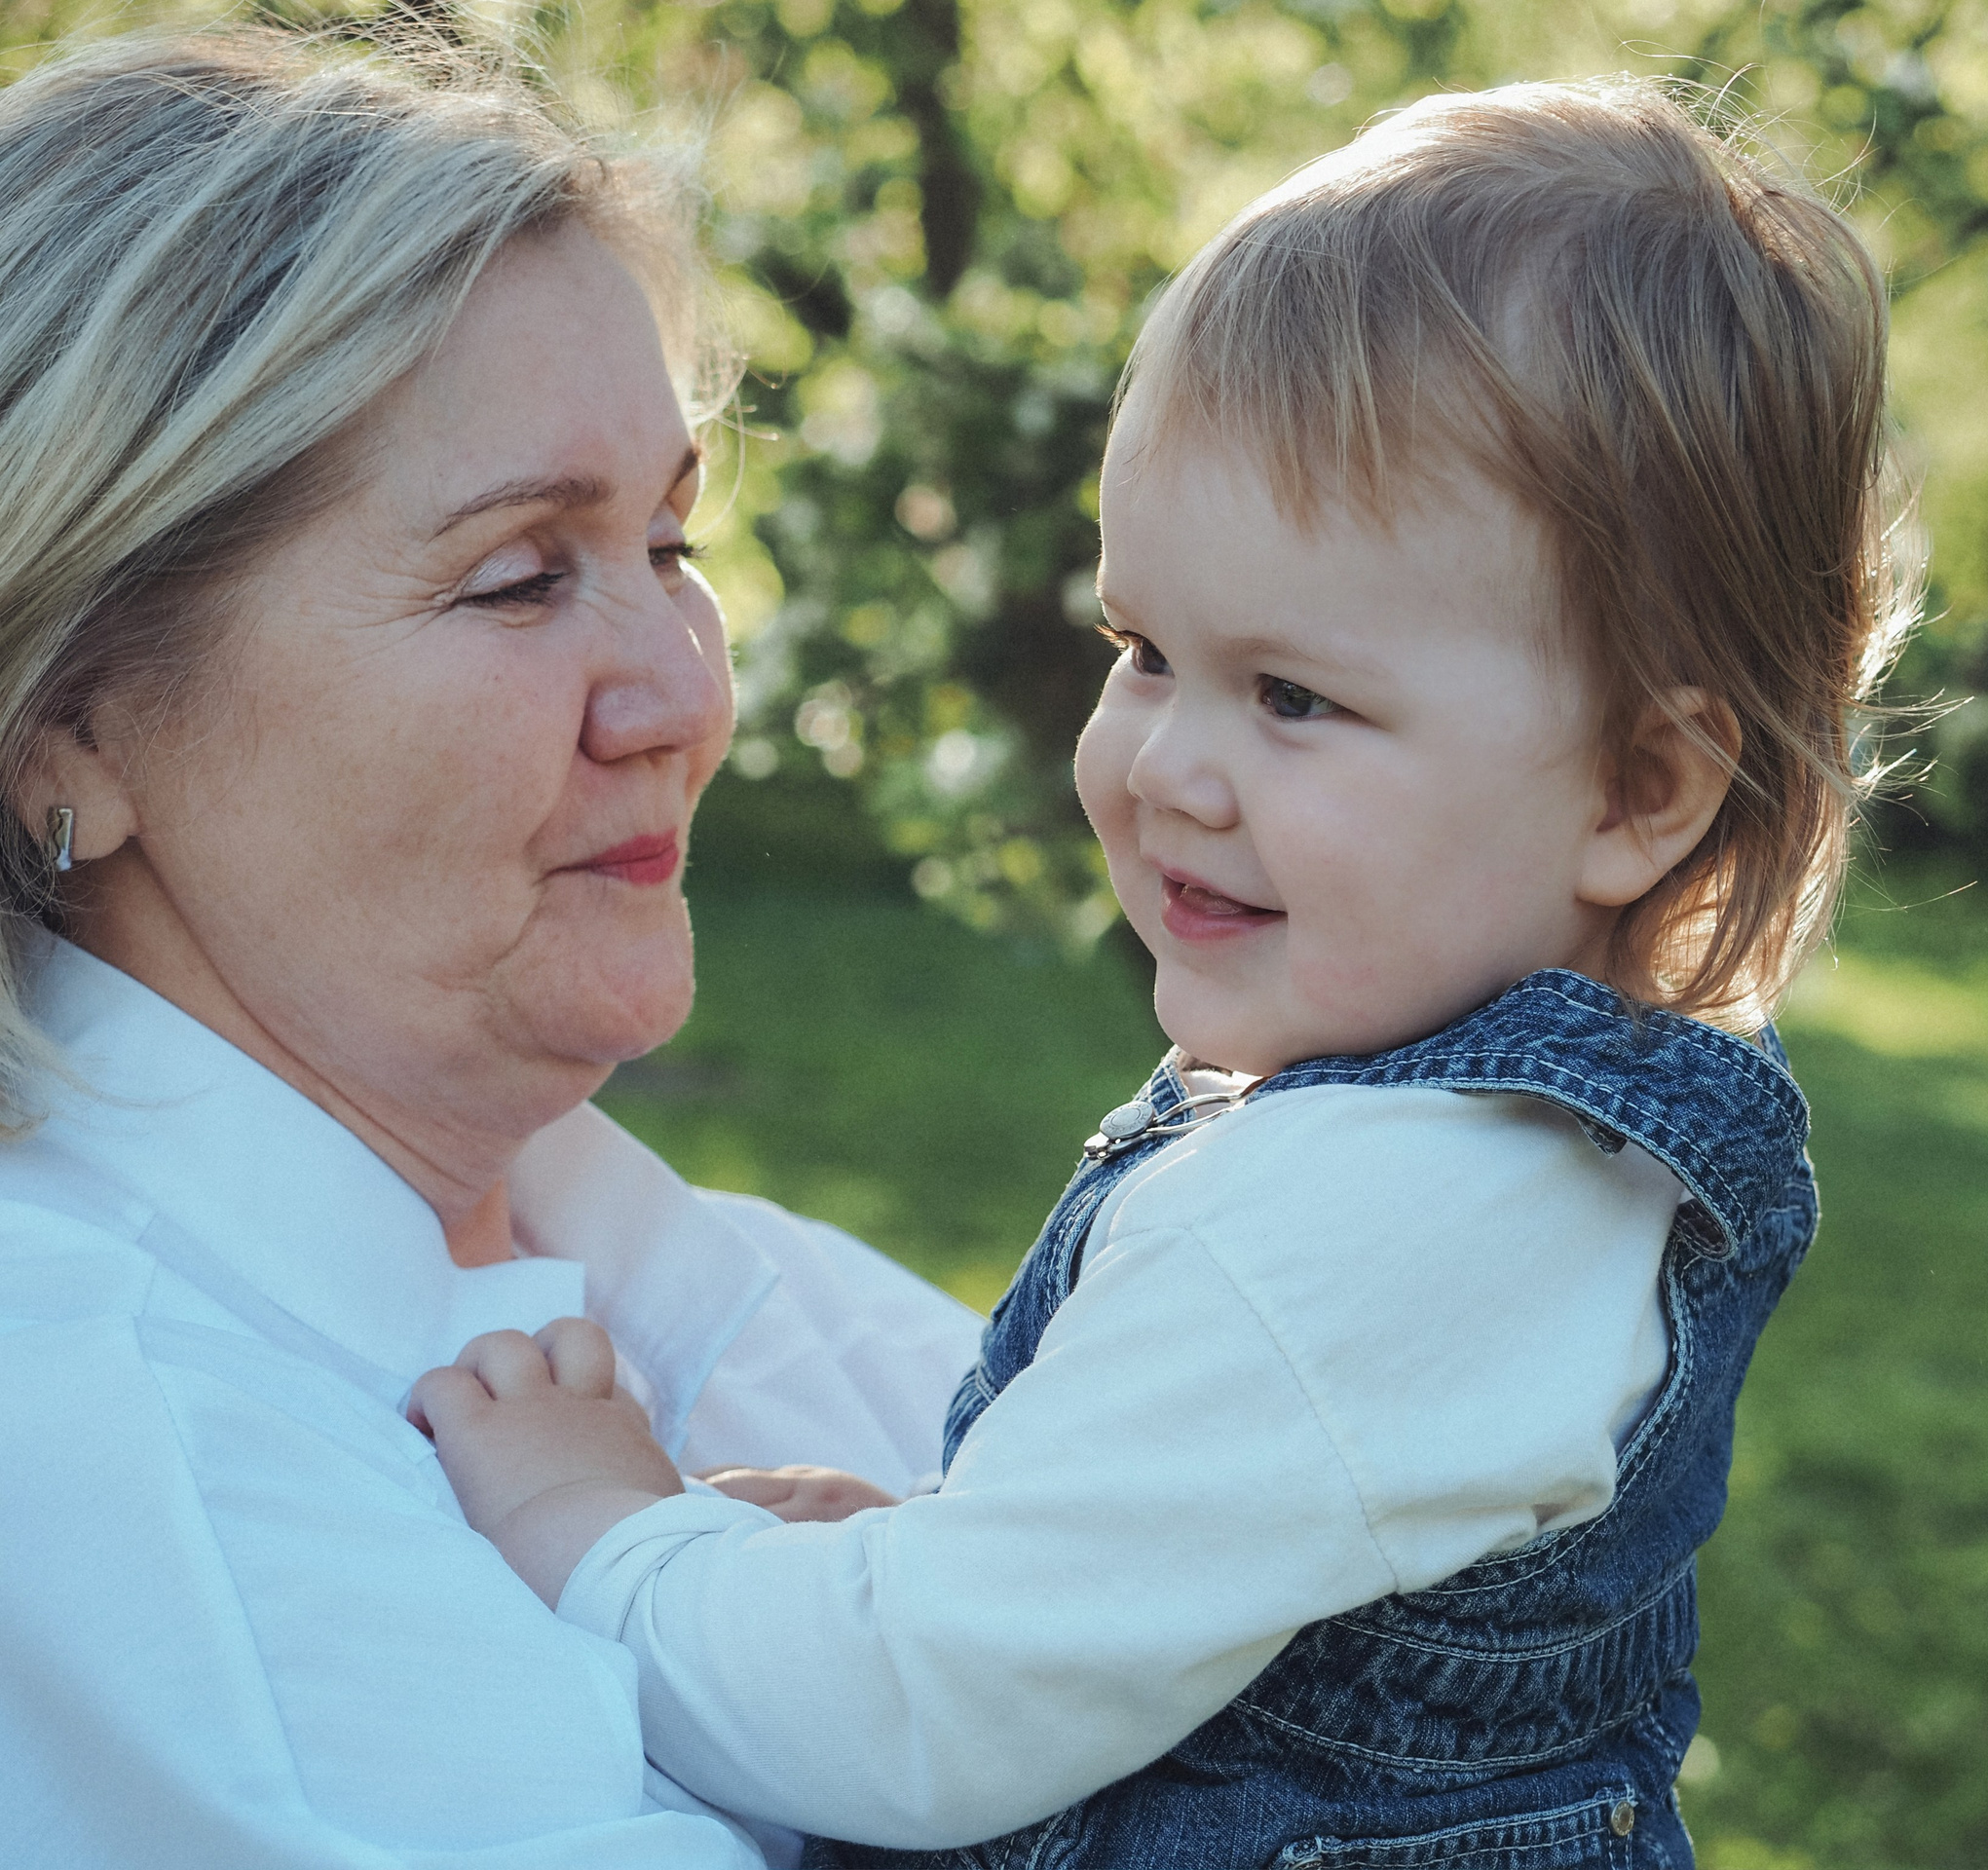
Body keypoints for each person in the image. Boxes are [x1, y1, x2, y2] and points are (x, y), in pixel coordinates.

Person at [422, 78, 1913, 1870]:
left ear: (1638, 788)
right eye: (1142, 651)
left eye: (1295, 697)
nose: (1164, 771)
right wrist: (933, 1555)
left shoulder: (1369, 1214)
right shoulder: (1509, 1168)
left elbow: (906, 1727)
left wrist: (603, 1529)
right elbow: (1231, 1615)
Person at [0, 29, 979, 1869]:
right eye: (521, 576)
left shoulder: (752, 1297)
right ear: (75, 727)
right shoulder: (94, 1459)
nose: (683, 695)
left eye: (671, 545)